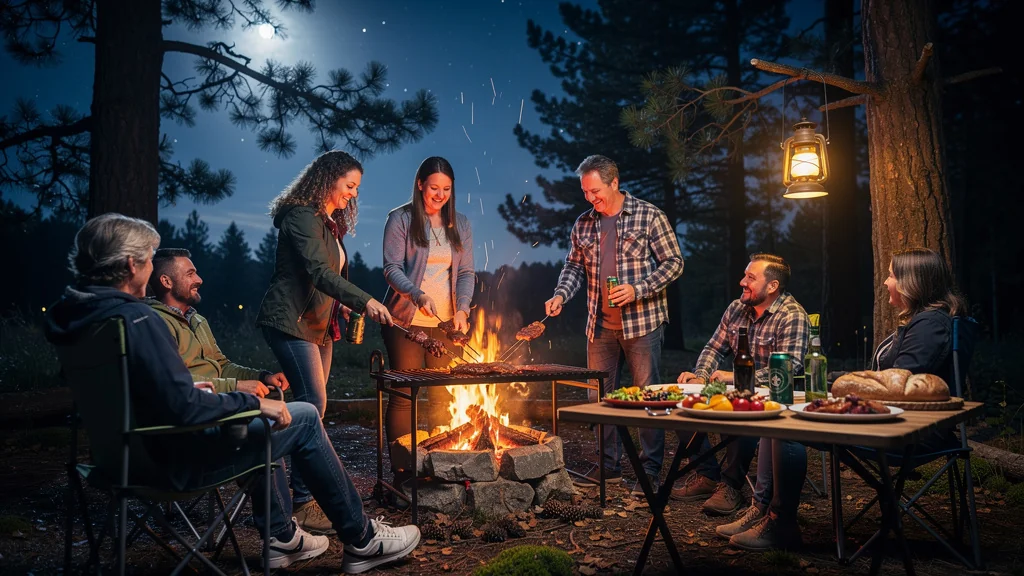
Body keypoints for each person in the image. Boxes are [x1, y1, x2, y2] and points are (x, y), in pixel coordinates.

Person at [45, 213, 419, 572]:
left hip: (120, 460)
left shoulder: (79, 324)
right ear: (129, 265)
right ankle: (362, 539)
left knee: (272, 426)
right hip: (172, 461)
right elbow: (183, 406)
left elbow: (158, 395)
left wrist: (243, 390)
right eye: (145, 261)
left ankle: (281, 536)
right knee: (303, 416)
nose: (149, 268)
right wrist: (253, 401)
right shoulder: (138, 321)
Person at [722, 248, 971, 551]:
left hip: (908, 431)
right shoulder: (923, 321)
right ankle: (761, 512)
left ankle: (779, 522)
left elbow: (899, 382)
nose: (886, 282)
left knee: (785, 428)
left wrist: (849, 395)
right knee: (780, 416)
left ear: (912, 281)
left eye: (891, 275)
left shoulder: (930, 324)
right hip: (893, 420)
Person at [256, 150, 394, 533]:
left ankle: (300, 497)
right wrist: (364, 300)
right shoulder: (301, 216)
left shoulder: (327, 223)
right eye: (349, 185)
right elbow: (317, 272)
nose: (353, 193)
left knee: (312, 408)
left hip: (320, 325)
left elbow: (326, 279)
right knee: (310, 406)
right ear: (327, 178)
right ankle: (298, 500)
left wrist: (342, 309)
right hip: (291, 322)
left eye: (357, 188)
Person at [544, 154, 684, 492]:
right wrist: (561, 295)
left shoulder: (649, 216)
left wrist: (639, 288)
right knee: (601, 398)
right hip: (600, 326)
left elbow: (675, 263)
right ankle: (609, 467)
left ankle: (649, 469)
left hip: (642, 324)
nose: (591, 198)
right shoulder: (583, 223)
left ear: (614, 183)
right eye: (586, 192)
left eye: (595, 191)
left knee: (647, 397)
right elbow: (573, 268)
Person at [675, 254, 809, 525]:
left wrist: (735, 378)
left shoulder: (792, 315)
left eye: (750, 278)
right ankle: (708, 475)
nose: (742, 282)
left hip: (776, 398)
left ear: (772, 286)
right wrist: (700, 377)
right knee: (684, 400)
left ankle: (731, 486)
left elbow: (788, 369)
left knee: (742, 410)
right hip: (738, 391)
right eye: (744, 275)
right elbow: (714, 347)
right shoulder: (737, 308)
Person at [382, 157, 475, 481]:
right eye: (434, 187)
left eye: (446, 189)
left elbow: (465, 272)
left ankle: (440, 465)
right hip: (405, 321)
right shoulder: (401, 219)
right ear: (420, 184)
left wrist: (462, 309)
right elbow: (391, 268)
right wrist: (416, 294)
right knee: (405, 394)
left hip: (448, 324)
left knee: (443, 394)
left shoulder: (460, 224)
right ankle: (403, 470)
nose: (440, 194)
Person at [147, 248, 289, 397]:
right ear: (166, 281)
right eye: (190, 274)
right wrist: (235, 386)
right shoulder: (155, 322)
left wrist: (263, 377)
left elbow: (222, 367)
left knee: (294, 395)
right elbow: (174, 379)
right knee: (306, 412)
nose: (199, 280)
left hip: (223, 399)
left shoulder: (198, 320)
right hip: (199, 406)